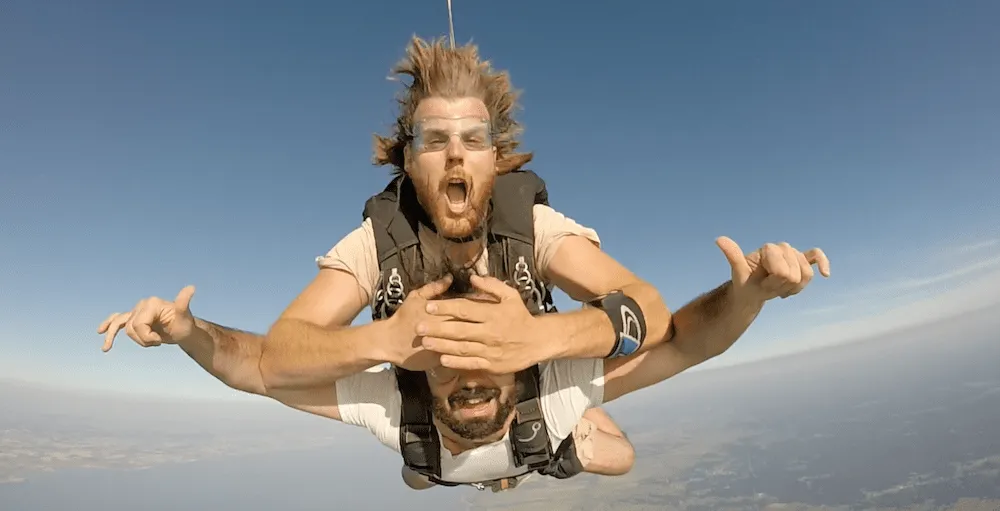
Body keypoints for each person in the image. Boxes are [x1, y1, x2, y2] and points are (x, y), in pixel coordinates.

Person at [98, 236, 829, 492]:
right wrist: (190, 333)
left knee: (619, 458)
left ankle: (533, 459)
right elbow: (262, 367)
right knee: (425, 472)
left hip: (541, 432)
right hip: (444, 457)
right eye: (450, 361)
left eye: (485, 359)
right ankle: (499, 466)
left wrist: (752, 296)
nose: (471, 377)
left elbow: (684, 339)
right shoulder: (399, 404)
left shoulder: (552, 387)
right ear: (419, 365)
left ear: (519, 363)